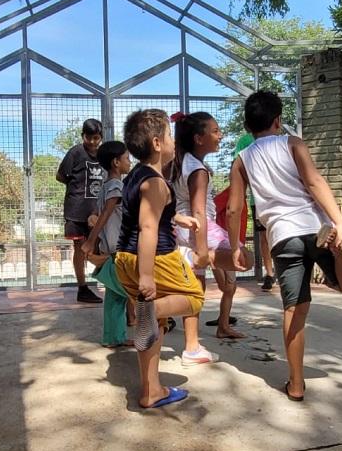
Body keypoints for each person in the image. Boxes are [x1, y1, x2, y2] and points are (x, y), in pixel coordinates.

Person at [228, 91, 342, 402]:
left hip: (283, 237)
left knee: (294, 308)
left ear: (248, 125)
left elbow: (234, 209)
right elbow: (315, 181)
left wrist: (237, 244)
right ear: (278, 121)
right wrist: (339, 222)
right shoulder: (293, 144)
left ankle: (296, 384)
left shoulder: (242, 160)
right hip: (315, 225)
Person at [114, 109, 204, 409]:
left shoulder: (135, 176)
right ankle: (149, 309)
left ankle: (152, 390)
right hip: (155, 258)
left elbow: (150, 213)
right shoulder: (156, 182)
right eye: (168, 136)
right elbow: (148, 226)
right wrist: (147, 275)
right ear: (156, 142)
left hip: (124, 257)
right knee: (194, 297)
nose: (173, 142)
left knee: (156, 325)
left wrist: (178, 218)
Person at [171, 111, 253, 343]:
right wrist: (203, 250)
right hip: (199, 231)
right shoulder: (197, 170)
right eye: (215, 131)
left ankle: (193, 343)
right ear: (198, 138)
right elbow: (198, 212)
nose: (221, 135)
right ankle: (190, 257)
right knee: (246, 259)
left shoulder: (182, 162)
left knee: (199, 287)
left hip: (190, 231)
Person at [81, 141, 134, 347]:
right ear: (116, 162)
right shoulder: (116, 186)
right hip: (117, 247)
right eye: (127, 158)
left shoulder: (106, 186)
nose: (129, 162)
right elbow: (105, 213)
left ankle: (113, 338)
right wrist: (90, 240)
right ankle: (149, 322)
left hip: (110, 246)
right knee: (129, 289)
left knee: (114, 297)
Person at [56, 118, 106, 303]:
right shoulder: (76, 152)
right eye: (88, 138)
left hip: (96, 211)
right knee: (79, 248)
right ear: (82, 136)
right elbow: (60, 175)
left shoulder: (103, 155)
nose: (92, 142)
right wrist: (76, 186)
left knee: (99, 246)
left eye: (96, 138)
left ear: (100, 137)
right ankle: (82, 288)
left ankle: (107, 282)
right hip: (76, 209)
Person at [234, 132, 276, 292]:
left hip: (277, 198)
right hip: (258, 199)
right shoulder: (245, 140)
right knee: (264, 237)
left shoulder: (277, 140)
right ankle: (269, 274)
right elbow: (238, 166)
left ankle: (282, 270)